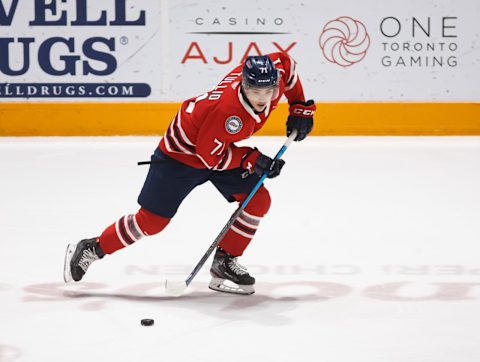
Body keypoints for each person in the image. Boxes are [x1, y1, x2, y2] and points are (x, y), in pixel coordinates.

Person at [63, 52, 316, 295]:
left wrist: (299, 106)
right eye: (255, 91)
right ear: (243, 84)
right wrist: (251, 158)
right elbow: (210, 158)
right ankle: (93, 248)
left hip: (219, 148)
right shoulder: (227, 112)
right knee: (152, 222)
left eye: (268, 91)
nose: (263, 98)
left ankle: (224, 261)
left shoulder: (274, 79)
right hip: (180, 156)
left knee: (258, 201)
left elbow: (286, 62)